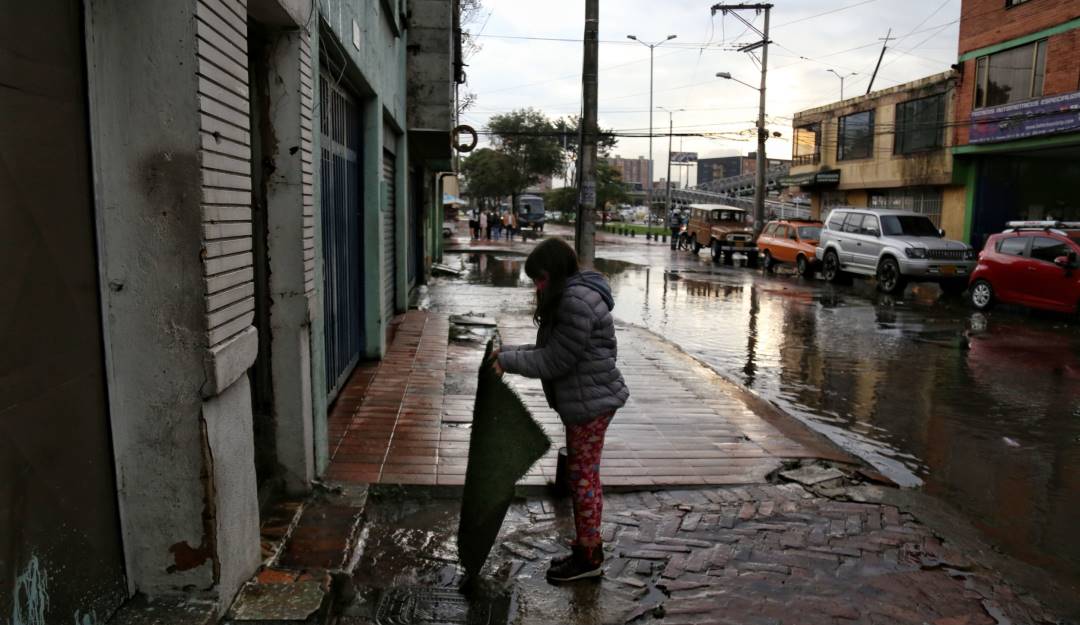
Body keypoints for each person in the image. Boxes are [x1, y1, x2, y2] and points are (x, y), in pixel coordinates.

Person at [492, 238, 629, 583]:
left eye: (540, 278)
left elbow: (556, 360)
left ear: (554, 272)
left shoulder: (574, 302)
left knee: (582, 479)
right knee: (586, 476)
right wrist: (506, 352)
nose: (537, 287)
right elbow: (554, 348)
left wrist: (507, 361)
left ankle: (588, 558)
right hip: (590, 398)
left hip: (590, 403)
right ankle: (588, 545)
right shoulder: (576, 293)